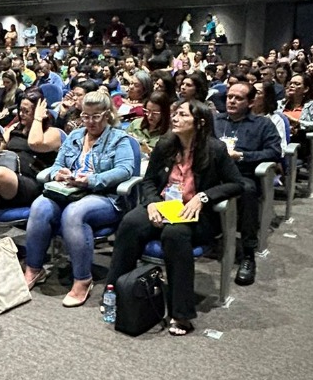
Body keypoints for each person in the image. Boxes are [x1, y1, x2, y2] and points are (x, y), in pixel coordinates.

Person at [103, 100, 243, 335]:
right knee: (130, 223)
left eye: (181, 115)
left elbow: (237, 184)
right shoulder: (166, 145)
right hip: (164, 206)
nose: (174, 118)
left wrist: (204, 196)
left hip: (194, 214)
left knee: (175, 234)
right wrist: (152, 203)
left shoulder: (215, 149)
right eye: (175, 113)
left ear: (198, 122)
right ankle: (116, 291)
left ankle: (181, 314)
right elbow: (148, 181)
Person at [22, 91, 137, 308]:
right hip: (70, 191)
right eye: (86, 116)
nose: (90, 122)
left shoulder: (119, 139)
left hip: (105, 197)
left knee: (74, 213)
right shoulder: (75, 136)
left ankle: (83, 278)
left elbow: (125, 170)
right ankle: (34, 269)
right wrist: (59, 173)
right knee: (39, 206)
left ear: (107, 115)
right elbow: (56, 165)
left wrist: (92, 180)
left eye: (96, 116)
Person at [213, 82, 282, 285]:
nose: (232, 101)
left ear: (251, 102)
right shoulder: (215, 120)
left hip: (243, 174)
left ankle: (248, 254)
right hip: (214, 174)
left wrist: (242, 156)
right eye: (229, 97)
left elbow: (274, 152)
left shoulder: (262, 125)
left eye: (238, 98)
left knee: (248, 191)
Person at [0, 92, 62, 212]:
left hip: (30, 183)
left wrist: (38, 118)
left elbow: (34, 143)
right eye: (20, 110)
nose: (21, 114)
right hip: (7, 183)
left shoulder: (52, 133)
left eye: (26, 111)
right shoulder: (15, 128)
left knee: (1, 174)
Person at [126, 90, 171, 156]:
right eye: (147, 111)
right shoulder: (136, 123)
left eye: (155, 113)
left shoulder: (169, 134)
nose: (150, 116)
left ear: (164, 113)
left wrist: (150, 152)